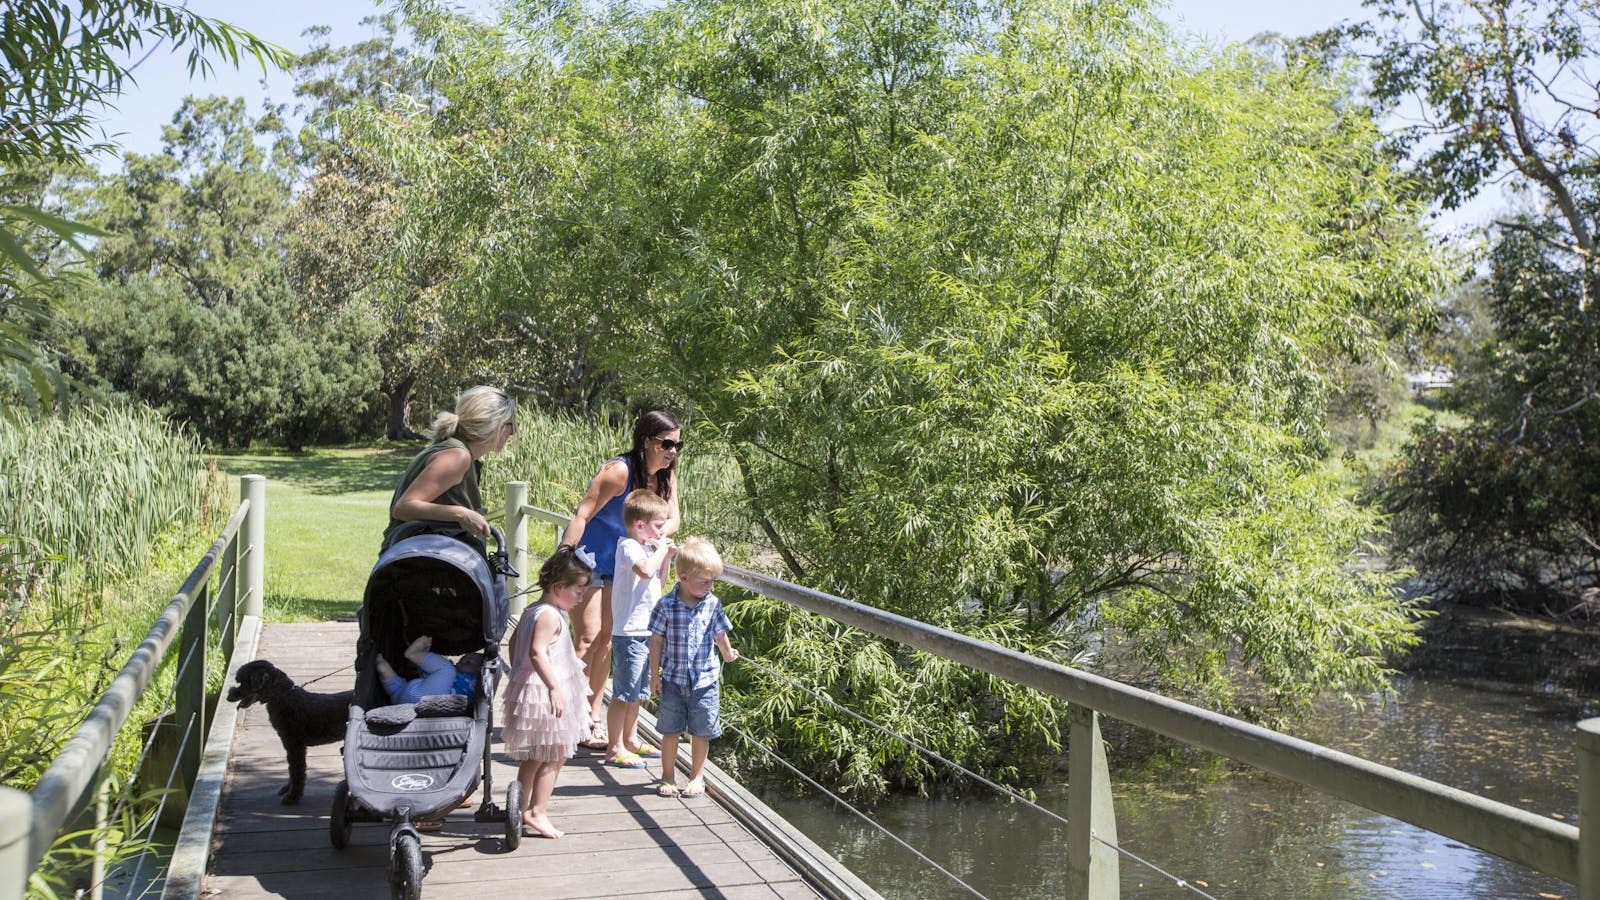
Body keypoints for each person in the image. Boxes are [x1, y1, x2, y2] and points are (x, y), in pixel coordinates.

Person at [559, 410, 683, 746]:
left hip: (625, 568)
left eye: (678, 445)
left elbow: (673, 519)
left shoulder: (667, 478)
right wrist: (563, 557)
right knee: (588, 636)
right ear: (646, 441)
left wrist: (654, 539)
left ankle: (590, 715)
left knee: (608, 642)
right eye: (666, 444)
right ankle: (561, 707)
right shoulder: (619, 471)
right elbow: (583, 512)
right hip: (590, 560)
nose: (672, 451)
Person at [501, 546, 594, 839]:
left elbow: (514, 645)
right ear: (558, 587)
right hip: (546, 691)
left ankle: (520, 808)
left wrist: (519, 671)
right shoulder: (551, 616)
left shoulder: (532, 610)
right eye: (578, 591)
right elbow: (537, 651)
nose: (581, 598)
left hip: (533, 689)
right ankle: (536, 811)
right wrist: (554, 686)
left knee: (536, 754)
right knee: (554, 755)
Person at [648, 537, 738, 798]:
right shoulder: (666, 605)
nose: (710, 587)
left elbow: (719, 632)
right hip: (673, 680)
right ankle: (667, 775)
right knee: (670, 729)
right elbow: (656, 641)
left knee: (702, 731)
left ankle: (697, 776)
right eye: (704, 582)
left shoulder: (712, 603)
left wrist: (728, 653)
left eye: (712, 582)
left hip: (705, 681)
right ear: (684, 578)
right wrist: (655, 675)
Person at [384, 385, 517, 549]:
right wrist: (462, 514)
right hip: (416, 560)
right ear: (496, 425)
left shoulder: (458, 451)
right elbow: (404, 507)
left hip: (424, 554)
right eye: (512, 425)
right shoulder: (457, 456)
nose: (513, 433)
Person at [602, 491, 676, 769]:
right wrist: (658, 551)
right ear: (639, 525)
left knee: (638, 690)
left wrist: (666, 556)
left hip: (647, 630)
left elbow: (659, 579)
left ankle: (630, 739)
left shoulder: (647, 548)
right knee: (624, 692)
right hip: (630, 630)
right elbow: (645, 571)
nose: (662, 531)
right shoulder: (629, 547)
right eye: (658, 525)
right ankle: (614, 747)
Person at [375, 636, 483, 705]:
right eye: (461, 660)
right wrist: (426, 659)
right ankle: (385, 670)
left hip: (426, 698)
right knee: (399, 687)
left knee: (447, 669)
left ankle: (413, 654)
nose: (461, 662)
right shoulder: (454, 675)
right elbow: (430, 678)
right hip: (414, 697)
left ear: (480, 669)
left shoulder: (476, 679)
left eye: (469, 662)